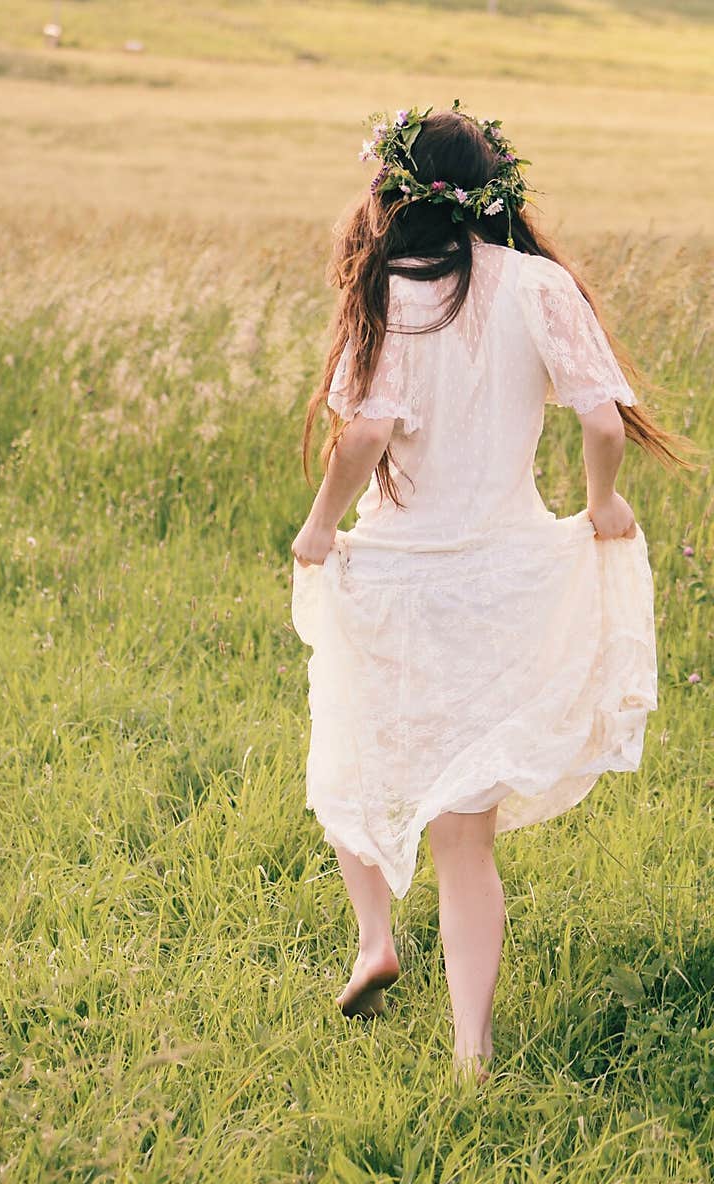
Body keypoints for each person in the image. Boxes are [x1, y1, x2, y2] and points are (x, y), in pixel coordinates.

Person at [290, 103, 697, 1082]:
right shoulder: (542, 285)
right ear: (496, 188)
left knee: (353, 761)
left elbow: (364, 434)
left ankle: (374, 938)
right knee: (464, 836)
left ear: (397, 189)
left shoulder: (391, 286)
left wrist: (317, 526)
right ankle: (471, 1052)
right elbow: (603, 421)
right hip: (508, 579)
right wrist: (601, 506)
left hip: (401, 577)